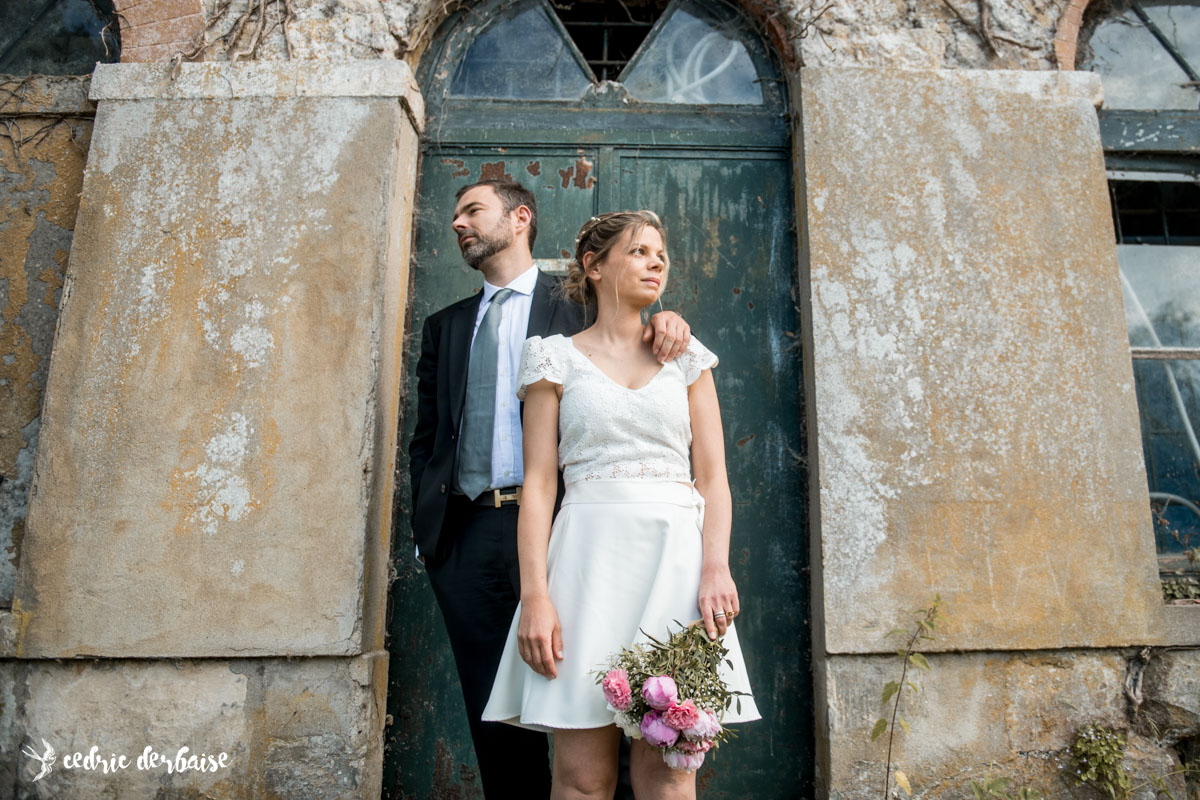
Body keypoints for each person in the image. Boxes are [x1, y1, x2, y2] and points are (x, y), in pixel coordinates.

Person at [408, 180, 691, 799]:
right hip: (469, 536)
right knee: (497, 716)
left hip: (568, 534)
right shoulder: (446, 327)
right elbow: (427, 438)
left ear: (520, 218)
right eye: (454, 213)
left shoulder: (576, 307)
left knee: (603, 703)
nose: (458, 222)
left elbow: (630, 329)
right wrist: (432, 536)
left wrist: (669, 318)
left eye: (472, 210)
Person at [482, 211, 760, 799]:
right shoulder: (551, 359)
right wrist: (536, 596)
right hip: (585, 569)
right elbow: (538, 486)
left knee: (668, 775)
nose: (656, 262)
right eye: (638, 251)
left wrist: (716, 568)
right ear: (594, 265)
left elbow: (713, 478)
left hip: (677, 569)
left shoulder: (687, 358)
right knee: (582, 780)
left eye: (660, 253)